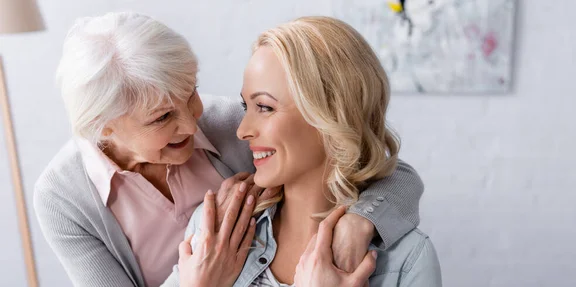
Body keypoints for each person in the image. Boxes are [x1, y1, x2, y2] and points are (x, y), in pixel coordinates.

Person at [33, 12, 426, 287]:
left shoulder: (229, 126)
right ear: (103, 126)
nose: (191, 124)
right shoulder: (63, 199)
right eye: (162, 118)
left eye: (192, 95)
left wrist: (359, 223)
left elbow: (377, 167)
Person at [184, 16, 442, 286]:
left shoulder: (407, 260)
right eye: (245, 107)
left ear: (329, 116)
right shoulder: (213, 230)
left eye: (264, 107)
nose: (242, 131)